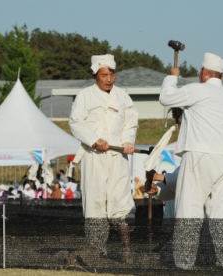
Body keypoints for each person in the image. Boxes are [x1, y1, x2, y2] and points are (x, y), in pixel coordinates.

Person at [159, 52, 223, 270]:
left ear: (203, 72)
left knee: (189, 210)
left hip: (199, 155)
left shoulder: (198, 89)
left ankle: (184, 264)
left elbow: (166, 98)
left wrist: (172, 77)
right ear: (222, 76)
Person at [69, 54, 138, 263]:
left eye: (112, 74)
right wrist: (94, 139)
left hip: (117, 156)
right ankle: (96, 251)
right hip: (94, 157)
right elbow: (75, 123)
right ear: (95, 75)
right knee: (95, 200)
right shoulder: (84, 96)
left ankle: (127, 251)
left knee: (122, 199)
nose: (109, 79)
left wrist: (127, 141)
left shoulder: (123, 97)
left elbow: (131, 121)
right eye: (104, 75)